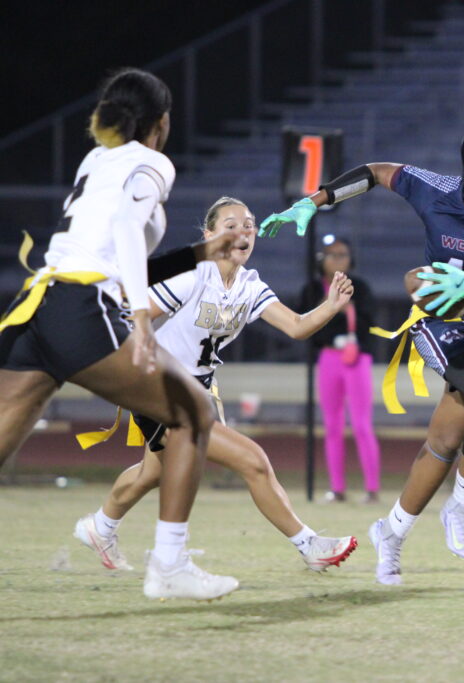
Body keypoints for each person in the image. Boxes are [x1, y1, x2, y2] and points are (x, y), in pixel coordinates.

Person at [260, 122, 464, 585]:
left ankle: (390, 533)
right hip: (443, 323)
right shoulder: (435, 190)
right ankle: (462, 506)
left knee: (445, 442)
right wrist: (313, 201)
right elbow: (375, 172)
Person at [0, 68, 239, 600]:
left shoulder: (96, 159)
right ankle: (170, 565)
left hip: (38, 302)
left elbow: (112, 250)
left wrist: (203, 251)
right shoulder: (153, 161)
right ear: (161, 122)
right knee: (195, 412)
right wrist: (141, 314)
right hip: (84, 308)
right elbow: (127, 233)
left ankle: (170, 564)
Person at [73, 197, 359, 573]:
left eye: (249, 224)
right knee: (253, 461)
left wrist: (330, 305)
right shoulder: (193, 274)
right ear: (208, 235)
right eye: (231, 225)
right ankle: (310, 546)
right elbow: (131, 317)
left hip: (199, 388)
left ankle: (100, 527)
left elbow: (295, 326)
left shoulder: (250, 285)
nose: (243, 231)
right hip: (159, 386)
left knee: (154, 473)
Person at [300, 234, 381, 504]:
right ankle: (337, 488)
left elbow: (369, 323)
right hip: (329, 358)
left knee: (361, 424)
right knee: (332, 425)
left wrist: (355, 340)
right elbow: (305, 326)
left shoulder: (361, 287)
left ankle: (372, 488)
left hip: (357, 358)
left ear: (351, 259)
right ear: (321, 260)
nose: (337, 260)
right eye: (331, 255)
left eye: (342, 255)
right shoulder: (313, 289)